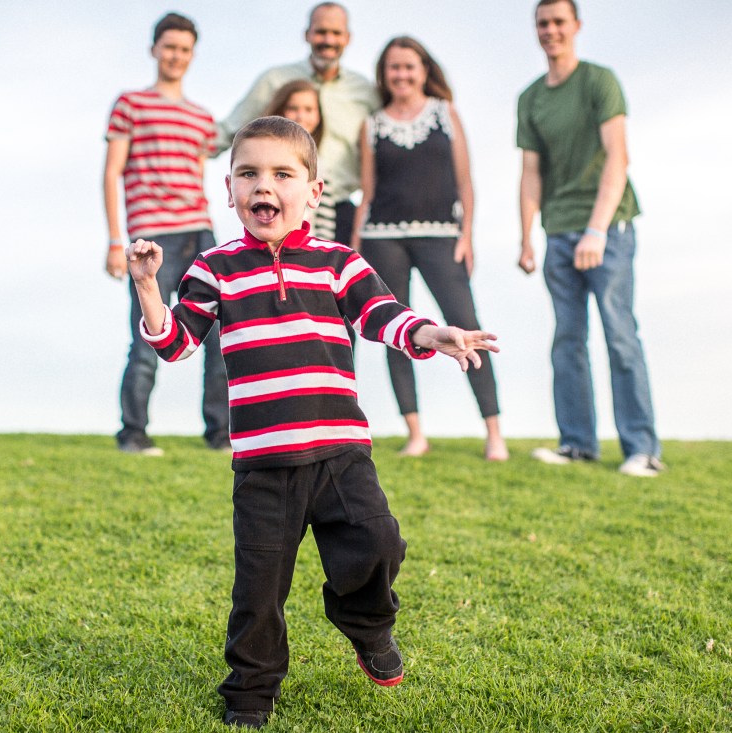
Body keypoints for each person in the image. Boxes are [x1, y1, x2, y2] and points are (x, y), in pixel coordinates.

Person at [125, 116, 499, 728]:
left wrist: (433, 331)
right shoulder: (213, 268)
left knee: (378, 542)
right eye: (248, 174)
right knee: (258, 592)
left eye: (281, 174)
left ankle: (367, 627)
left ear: (314, 190)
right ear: (229, 190)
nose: (262, 186)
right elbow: (175, 343)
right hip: (264, 466)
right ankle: (250, 691)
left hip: (341, 455)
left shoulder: (337, 263)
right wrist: (148, 289)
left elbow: (384, 315)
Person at [516, 0, 663, 477]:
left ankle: (642, 450)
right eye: (543, 23)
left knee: (620, 336)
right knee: (567, 340)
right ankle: (577, 443)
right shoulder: (531, 97)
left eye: (559, 21)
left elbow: (618, 157)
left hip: (609, 228)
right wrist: (526, 238)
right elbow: (531, 174)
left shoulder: (599, 81)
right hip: (557, 232)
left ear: (576, 26)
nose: (551, 30)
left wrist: (597, 229)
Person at [351, 37, 508, 462]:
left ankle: (494, 433)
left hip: (442, 235)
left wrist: (467, 234)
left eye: (409, 67)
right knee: (396, 330)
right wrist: (355, 249)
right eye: (393, 68)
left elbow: (465, 181)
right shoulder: (373, 124)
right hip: (383, 238)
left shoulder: (445, 113)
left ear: (424, 70)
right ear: (384, 75)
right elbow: (367, 192)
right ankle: (415, 431)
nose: (401, 75)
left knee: (466, 324)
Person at [102, 12, 229, 455]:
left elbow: (198, 176)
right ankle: (133, 433)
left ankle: (219, 433)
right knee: (146, 335)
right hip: (151, 236)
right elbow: (113, 172)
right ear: (154, 48)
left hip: (201, 232)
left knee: (218, 336)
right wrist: (116, 241)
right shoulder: (130, 104)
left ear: (192, 55)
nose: (176, 55)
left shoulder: (202, 118)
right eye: (169, 46)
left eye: (184, 49)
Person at [216, 2, 378, 247]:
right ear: (307, 35)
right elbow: (230, 129)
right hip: (283, 204)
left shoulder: (364, 91)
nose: (328, 40)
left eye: (336, 33)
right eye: (321, 32)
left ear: (348, 38)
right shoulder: (276, 80)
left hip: (341, 208)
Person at [263, 80, 339, 239]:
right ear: (280, 110)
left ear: (319, 115)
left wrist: (322, 250)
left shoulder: (320, 164)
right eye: (293, 108)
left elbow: (325, 218)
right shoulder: (264, 158)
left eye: (309, 109)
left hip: (305, 250)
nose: (301, 116)